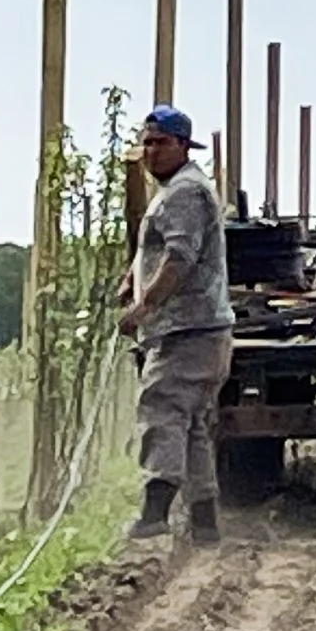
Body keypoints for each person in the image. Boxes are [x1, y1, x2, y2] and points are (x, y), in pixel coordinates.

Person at [122, 105, 237, 543]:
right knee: (193, 429)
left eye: (160, 143)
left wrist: (143, 306)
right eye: (146, 143)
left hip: (187, 329)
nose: (150, 152)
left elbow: (180, 257)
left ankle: (154, 517)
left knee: (162, 411)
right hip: (201, 329)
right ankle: (205, 523)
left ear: (183, 146)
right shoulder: (176, 190)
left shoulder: (185, 193)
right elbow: (162, 248)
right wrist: (132, 277)